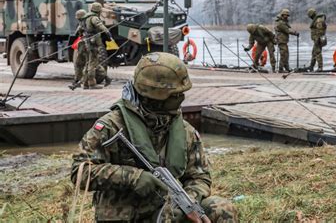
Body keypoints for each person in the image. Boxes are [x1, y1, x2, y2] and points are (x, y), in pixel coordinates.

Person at [71, 52, 238, 222]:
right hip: (124, 216)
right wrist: (132, 177)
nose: (180, 99)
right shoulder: (111, 127)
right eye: (174, 96)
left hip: (166, 212)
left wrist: (186, 202)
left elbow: (199, 176)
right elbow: (80, 171)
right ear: (154, 97)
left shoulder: (184, 131)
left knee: (222, 209)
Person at [83, 2, 112, 89]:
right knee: (92, 64)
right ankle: (92, 84)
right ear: (98, 10)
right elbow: (100, 25)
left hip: (88, 42)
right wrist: (107, 32)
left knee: (88, 63)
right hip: (93, 44)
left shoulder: (86, 17)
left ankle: (85, 83)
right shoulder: (94, 18)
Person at [69, 9, 88, 90]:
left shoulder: (85, 23)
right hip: (85, 45)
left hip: (85, 45)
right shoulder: (87, 22)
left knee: (82, 64)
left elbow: (77, 32)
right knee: (83, 64)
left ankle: (80, 81)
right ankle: (78, 80)